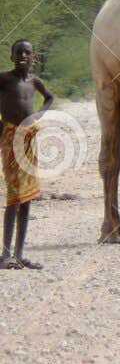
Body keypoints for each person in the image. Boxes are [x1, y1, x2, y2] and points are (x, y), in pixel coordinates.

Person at [1, 39, 54, 270]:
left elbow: (50, 97)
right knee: (14, 197)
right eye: (18, 52)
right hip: (11, 138)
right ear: (12, 57)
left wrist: (37, 117)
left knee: (27, 198)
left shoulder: (34, 82)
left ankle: (20, 254)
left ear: (34, 57)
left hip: (29, 140)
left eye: (27, 52)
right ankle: (5, 256)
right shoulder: (4, 79)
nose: (23, 55)